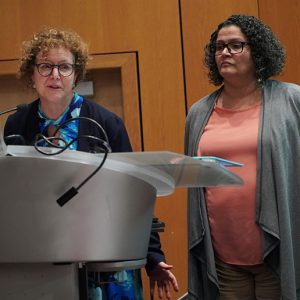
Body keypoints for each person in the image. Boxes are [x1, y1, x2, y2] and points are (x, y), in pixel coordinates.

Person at [4, 27, 178, 300]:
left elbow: (136, 193)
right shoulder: (17, 123)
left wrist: (154, 258)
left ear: (76, 75)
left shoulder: (106, 123)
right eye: (46, 66)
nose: (55, 75)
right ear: (32, 74)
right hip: (37, 257)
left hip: (103, 256)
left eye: (64, 67)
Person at [185, 14, 300, 300]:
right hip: (223, 255)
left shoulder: (291, 100)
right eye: (219, 46)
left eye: (236, 45)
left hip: (279, 249)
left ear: (257, 50)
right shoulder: (198, 113)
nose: (224, 52)